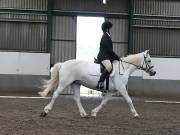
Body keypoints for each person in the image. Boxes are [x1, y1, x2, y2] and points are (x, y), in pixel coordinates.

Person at [96, 21, 119, 89]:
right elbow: (109, 50)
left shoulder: (107, 36)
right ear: (107, 29)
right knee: (109, 67)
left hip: (106, 56)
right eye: (110, 28)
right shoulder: (105, 36)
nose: (111, 30)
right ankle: (100, 82)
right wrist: (117, 57)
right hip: (103, 56)